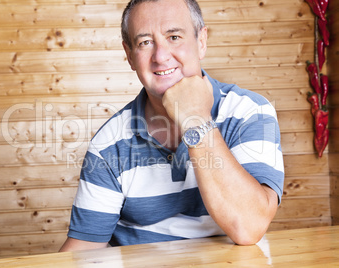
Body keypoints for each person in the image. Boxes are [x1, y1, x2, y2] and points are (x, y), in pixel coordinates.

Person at [59, 0, 284, 251]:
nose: (161, 56)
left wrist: (195, 119)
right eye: (145, 42)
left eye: (174, 37)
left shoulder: (249, 112)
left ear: (201, 41)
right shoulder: (108, 143)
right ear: (129, 55)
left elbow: (249, 226)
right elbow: (84, 249)